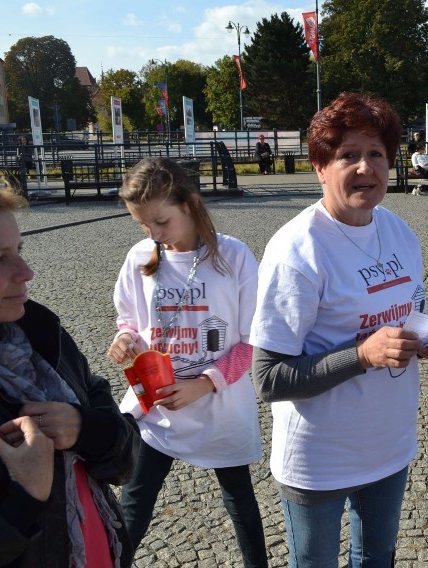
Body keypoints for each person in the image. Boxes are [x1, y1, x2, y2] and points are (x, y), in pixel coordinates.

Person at [250, 92, 428, 567]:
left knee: (377, 560)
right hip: (320, 459)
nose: (365, 167)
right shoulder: (297, 249)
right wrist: (362, 355)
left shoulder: (400, 232)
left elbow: (411, 312)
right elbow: (268, 378)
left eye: (376, 154)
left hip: (389, 446)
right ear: (320, 166)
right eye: (348, 155)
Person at [108, 158, 268, 568]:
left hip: (219, 408)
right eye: (144, 226)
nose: (154, 235)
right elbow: (130, 318)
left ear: (192, 205)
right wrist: (125, 339)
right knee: (133, 508)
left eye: (161, 222)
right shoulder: (140, 256)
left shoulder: (233, 257)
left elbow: (252, 342)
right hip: (155, 410)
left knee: (241, 506)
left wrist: (204, 384)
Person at [0, 178, 140, 566]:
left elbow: (127, 452)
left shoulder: (44, 337)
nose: (26, 271)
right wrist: (26, 494)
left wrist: (84, 428)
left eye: (20, 250)